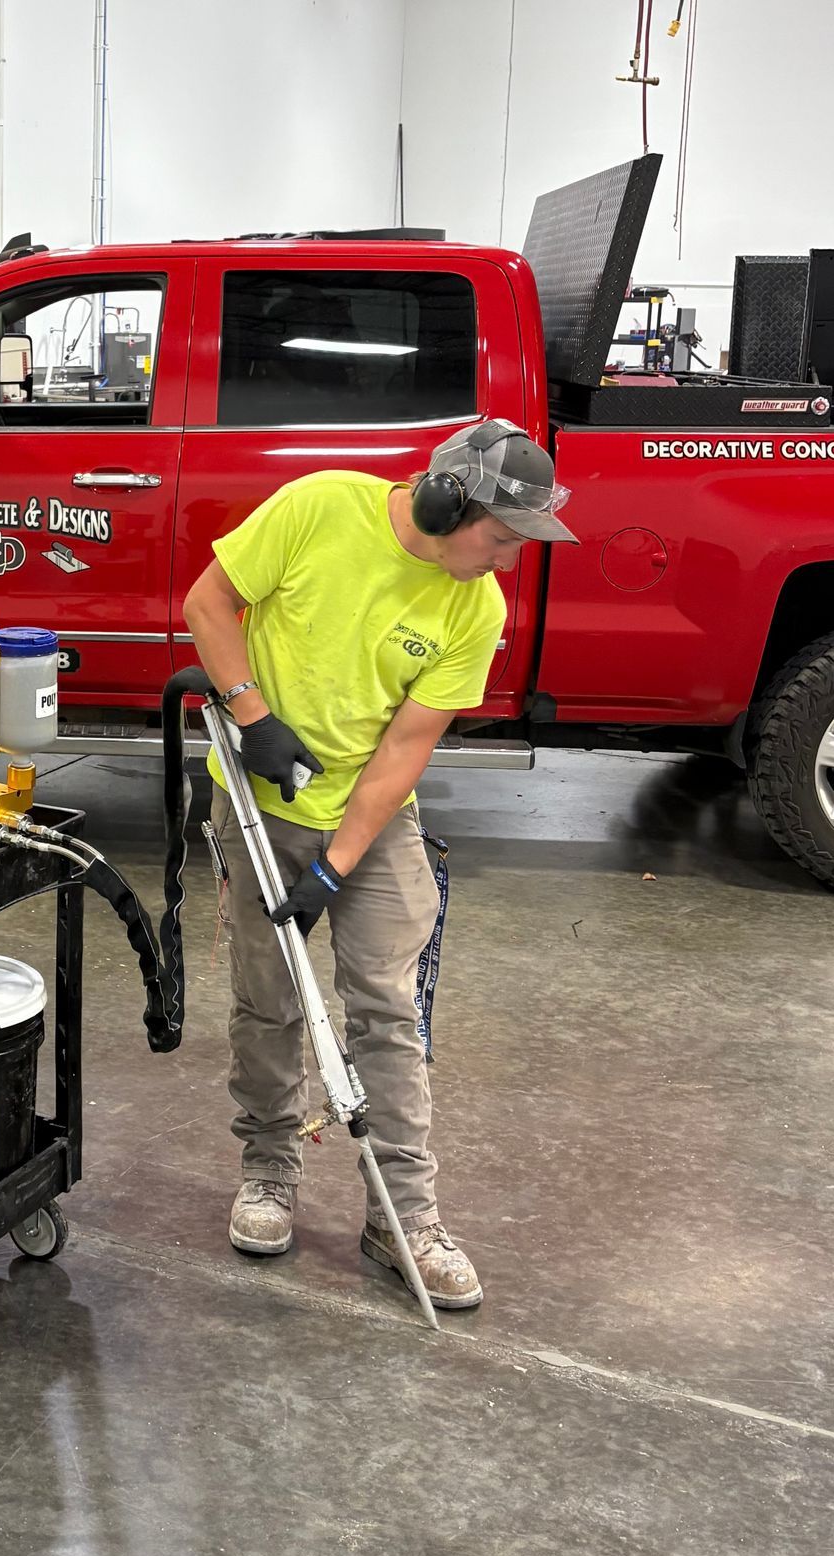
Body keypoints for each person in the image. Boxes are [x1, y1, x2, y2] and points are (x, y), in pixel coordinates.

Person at [182, 419, 575, 1308]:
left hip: (372, 816)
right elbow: (209, 603)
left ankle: (406, 1219)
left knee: (387, 1012)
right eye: (503, 537)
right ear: (447, 503)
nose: (508, 561)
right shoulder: (318, 508)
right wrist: (252, 716)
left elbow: (403, 753)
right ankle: (269, 1172)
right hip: (261, 806)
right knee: (270, 1000)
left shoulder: (475, 608)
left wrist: (337, 865)